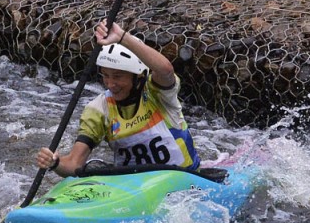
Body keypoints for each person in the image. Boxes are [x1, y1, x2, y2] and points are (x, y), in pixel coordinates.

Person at [35, 20, 200, 177]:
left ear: (138, 76)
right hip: (133, 186)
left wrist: (122, 37)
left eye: (118, 76)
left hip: (185, 180)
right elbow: (74, 164)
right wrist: (55, 163)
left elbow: (166, 70)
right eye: (105, 75)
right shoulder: (99, 108)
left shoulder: (158, 94)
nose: (110, 84)